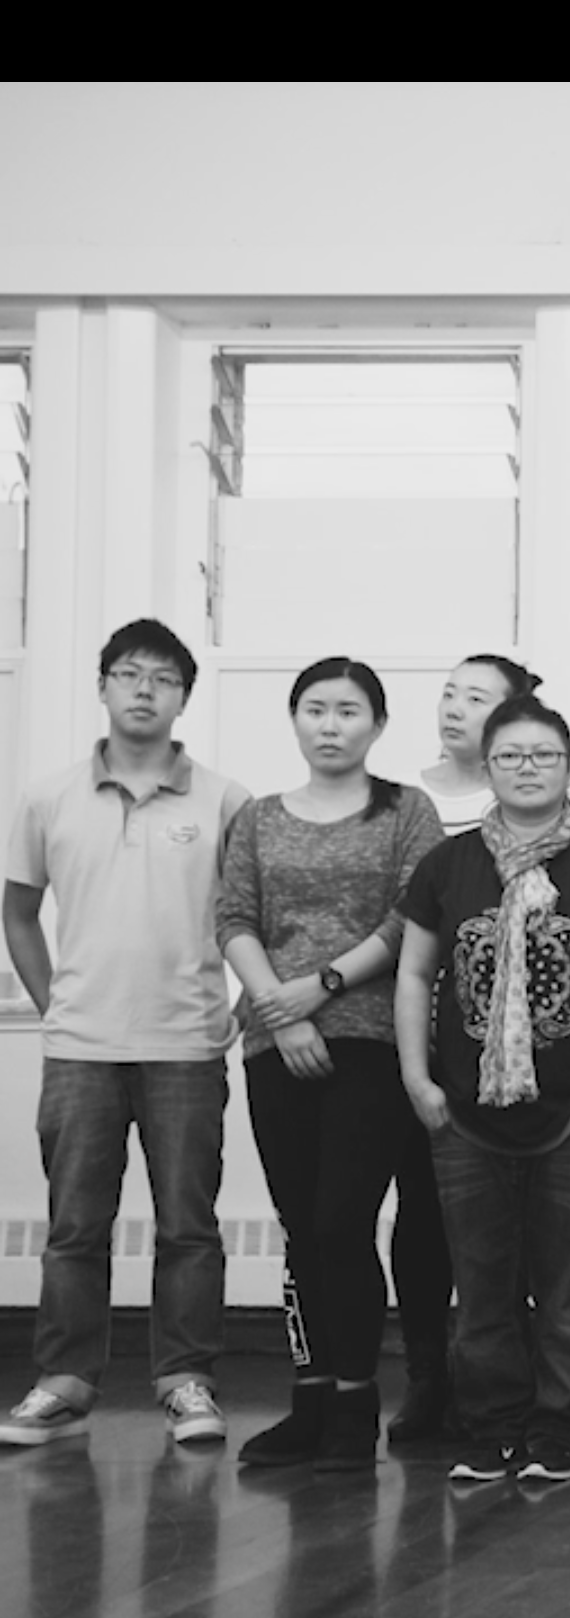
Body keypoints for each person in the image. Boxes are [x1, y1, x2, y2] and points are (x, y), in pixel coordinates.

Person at [0, 621, 250, 1449]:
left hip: (187, 1046)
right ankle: (64, 1383)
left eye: (164, 679)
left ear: (185, 697)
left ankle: (186, 1382)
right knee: (75, 1228)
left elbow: (255, 917)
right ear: (102, 686)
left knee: (189, 1225)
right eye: (129, 675)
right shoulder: (48, 795)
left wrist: (251, 1000)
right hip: (80, 1050)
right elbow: (18, 911)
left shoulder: (225, 800)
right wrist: (53, 1004)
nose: (144, 690)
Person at [394, 697, 570, 1484]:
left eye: (544, 756)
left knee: (568, 1283)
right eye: (511, 756)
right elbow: (413, 972)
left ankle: (556, 1428)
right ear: (489, 768)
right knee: (480, 1284)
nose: (528, 768)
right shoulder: (450, 863)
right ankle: (492, 1428)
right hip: (466, 1114)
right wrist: (416, 1077)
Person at [217, 658, 443, 1471]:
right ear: (295, 720)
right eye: (315, 709)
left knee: (343, 1223)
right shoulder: (257, 817)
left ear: (377, 725)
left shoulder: (405, 811)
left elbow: (412, 918)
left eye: (349, 711)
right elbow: (235, 917)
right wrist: (278, 1008)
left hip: (369, 1039)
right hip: (273, 1040)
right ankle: (309, 1403)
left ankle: (356, 1407)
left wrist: (320, 987)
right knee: (299, 1230)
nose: (330, 724)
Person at [390, 650, 539, 1444]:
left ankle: (499, 1380)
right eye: (447, 692)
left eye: (476, 698)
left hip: (503, 1045)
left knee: (502, 1218)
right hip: (417, 1033)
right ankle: (425, 1378)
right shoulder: (403, 800)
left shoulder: (529, 804)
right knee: (421, 1211)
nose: (453, 707)